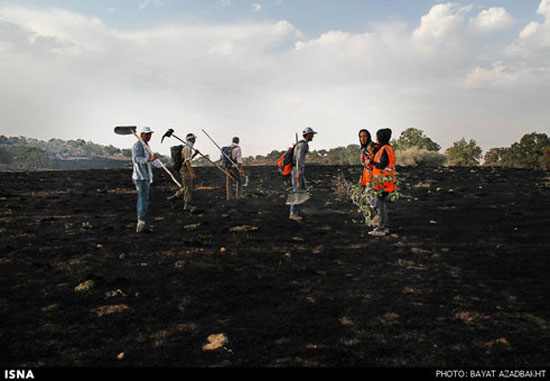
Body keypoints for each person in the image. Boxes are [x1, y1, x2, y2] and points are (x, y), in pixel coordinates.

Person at [132, 126, 163, 233]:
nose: (149, 136)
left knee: (143, 199)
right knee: (143, 199)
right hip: (140, 176)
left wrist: (159, 163)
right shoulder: (138, 145)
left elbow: (152, 161)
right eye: (147, 134)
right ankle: (141, 223)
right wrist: (149, 159)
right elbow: (136, 159)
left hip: (145, 176)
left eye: (150, 134)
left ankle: (141, 222)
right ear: (141, 135)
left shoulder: (146, 145)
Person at [367, 128, 396, 236]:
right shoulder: (386, 148)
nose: (376, 139)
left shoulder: (385, 149)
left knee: (380, 205)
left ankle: (381, 228)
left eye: (377, 136)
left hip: (383, 183)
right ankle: (383, 226)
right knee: (380, 204)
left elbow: (382, 164)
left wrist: (371, 162)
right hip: (384, 182)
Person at [289, 126, 318, 221]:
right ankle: (293, 213)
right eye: (312, 135)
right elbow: (299, 160)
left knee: (303, 189)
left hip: (297, 170)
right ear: (308, 135)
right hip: (297, 170)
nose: (313, 136)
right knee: (297, 191)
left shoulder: (301, 144)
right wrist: (298, 174)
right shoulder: (303, 145)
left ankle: (296, 209)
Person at [167, 133, 200, 211]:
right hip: (185, 169)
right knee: (188, 187)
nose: (195, 140)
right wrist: (192, 172)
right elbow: (187, 162)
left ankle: (173, 197)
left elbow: (187, 159)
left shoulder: (187, 148)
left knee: (187, 187)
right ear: (190, 139)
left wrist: (195, 154)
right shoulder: (187, 148)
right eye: (193, 138)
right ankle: (187, 204)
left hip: (184, 168)